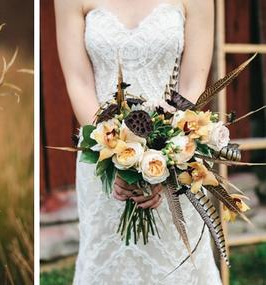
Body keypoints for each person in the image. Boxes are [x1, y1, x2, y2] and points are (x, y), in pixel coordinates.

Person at [54, 0, 222, 284]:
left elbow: (193, 81)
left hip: (176, 157)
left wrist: (164, 159)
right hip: (101, 154)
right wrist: (113, 155)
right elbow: (78, 80)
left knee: (177, 264)